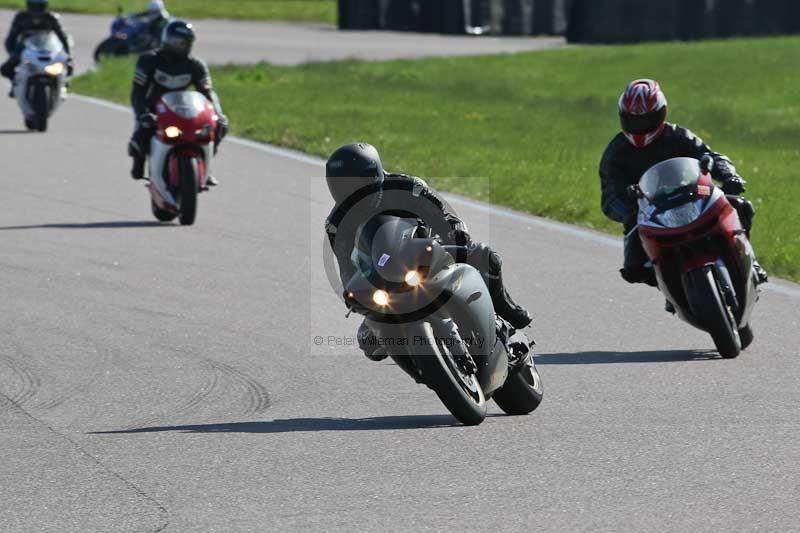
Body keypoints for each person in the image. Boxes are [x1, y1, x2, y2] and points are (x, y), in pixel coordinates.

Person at [325, 142, 532, 361]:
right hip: (384, 278)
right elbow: (346, 267)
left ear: (375, 174)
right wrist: (354, 295)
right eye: (342, 188)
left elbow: (444, 217)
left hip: (429, 252)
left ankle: (507, 310)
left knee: (486, 258)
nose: (351, 194)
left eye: (357, 185)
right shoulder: (337, 224)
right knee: (369, 342)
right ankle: (422, 366)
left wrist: (457, 236)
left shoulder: (406, 187)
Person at [599, 79, 767, 293]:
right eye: (633, 120)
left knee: (740, 205)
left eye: (647, 119)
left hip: (693, 197)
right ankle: (666, 282)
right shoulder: (615, 153)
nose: (640, 126)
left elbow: (710, 155)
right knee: (633, 267)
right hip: (651, 213)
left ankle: (751, 264)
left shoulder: (678, 135)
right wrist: (630, 210)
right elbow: (609, 196)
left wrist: (729, 176)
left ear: (661, 114)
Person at [128, 19, 228, 183]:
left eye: (187, 42)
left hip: (183, 109)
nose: (182, 46)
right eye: (177, 42)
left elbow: (208, 92)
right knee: (142, 132)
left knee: (219, 126)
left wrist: (219, 113)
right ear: (166, 39)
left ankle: (206, 167)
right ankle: (138, 162)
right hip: (154, 109)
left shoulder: (196, 65)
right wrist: (142, 113)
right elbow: (137, 92)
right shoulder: (148, 60)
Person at [1, 0, 73, 93]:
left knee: (68, 65)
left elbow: (63, 37)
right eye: (34, 7)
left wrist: (68, 55)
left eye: (40, 7)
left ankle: (62, 83)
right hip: (25, 49)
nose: (37, 11)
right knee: (5, 68)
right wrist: (12, 53)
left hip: (48, 49)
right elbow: (10, 39)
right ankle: (15, 83)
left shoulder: (51, 18)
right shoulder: (21, 18)